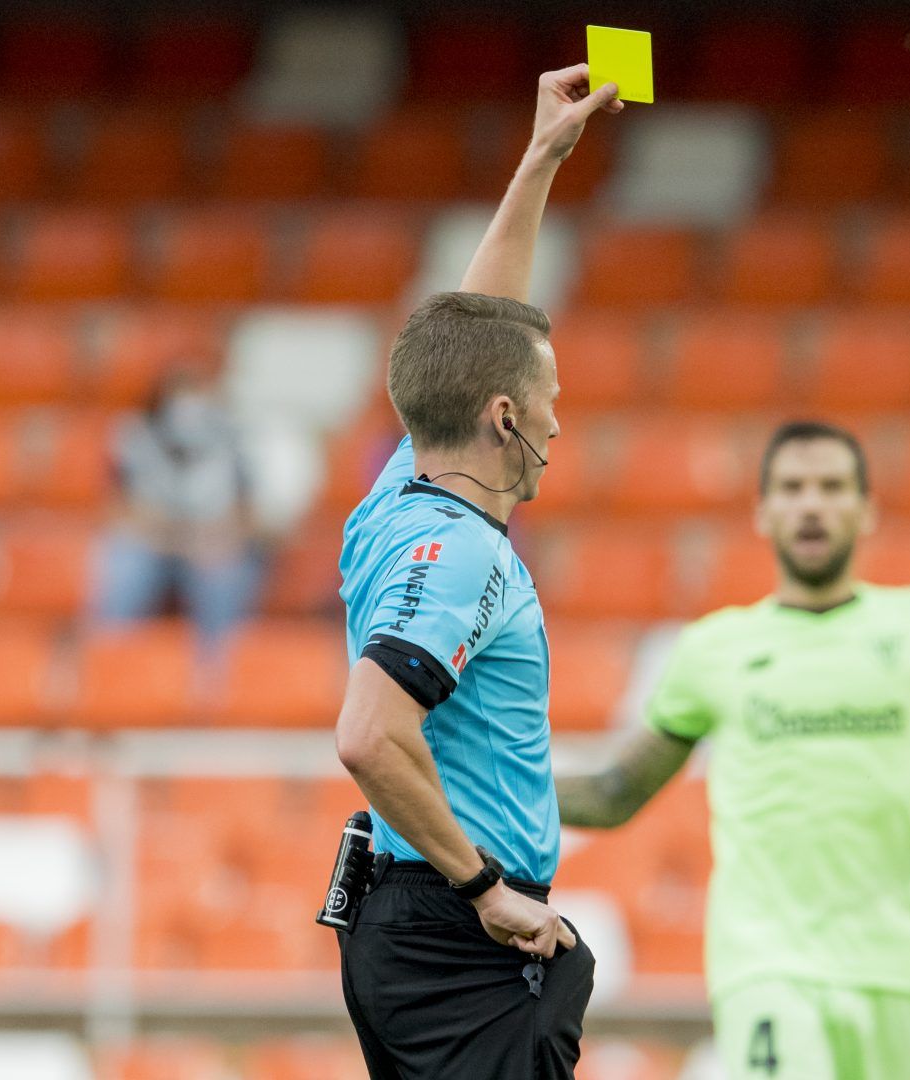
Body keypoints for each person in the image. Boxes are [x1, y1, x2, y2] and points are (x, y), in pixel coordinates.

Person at [555, 421, 910, 1080]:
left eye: (832, 487)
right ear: (763, 512)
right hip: (768, 964)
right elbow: (614, 794)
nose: (812, 504)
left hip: (895, 973)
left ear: (866, 508)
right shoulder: (716, 649)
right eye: (792, 488)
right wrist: (478, 783)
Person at [330, 66, 621, 1079]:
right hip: (452, 933)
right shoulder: (456, 551)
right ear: (506, 419)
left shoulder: (402, 488)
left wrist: (542, 159)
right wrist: (484, 886)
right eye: (549, 399)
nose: (556, 420)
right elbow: (370, 734)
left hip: (421, 924)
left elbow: (476, 332)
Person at [90, 362, 260, 643]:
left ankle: (217, 670)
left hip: (208, 541)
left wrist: (221, 536)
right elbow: (116, 508)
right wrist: (160, 531)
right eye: (181, 393)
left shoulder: (233, 437)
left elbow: (248, 512)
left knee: (225, 573)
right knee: (125, 564)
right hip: (151, 540)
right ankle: (108, 657)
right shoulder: (133, 435)